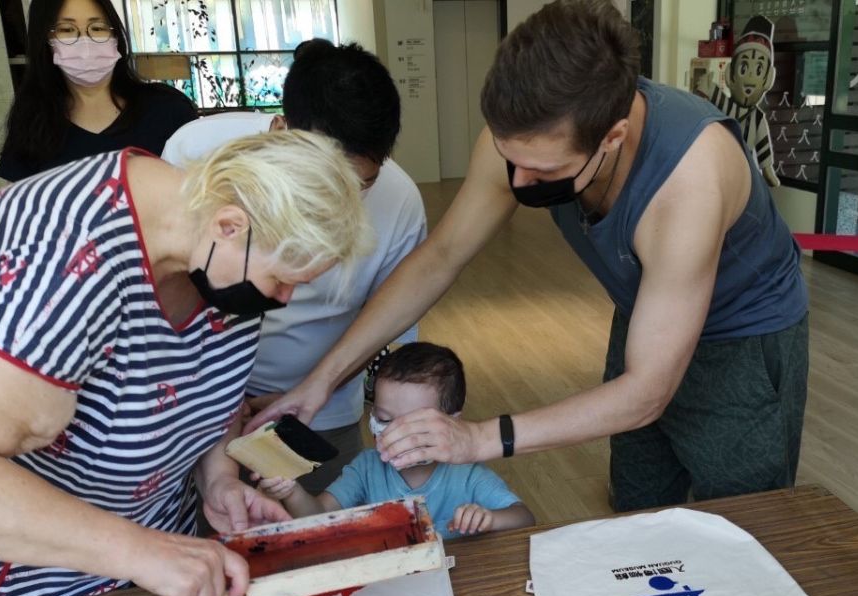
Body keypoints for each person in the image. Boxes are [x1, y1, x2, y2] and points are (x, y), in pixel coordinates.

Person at [250, 0, 809, 512]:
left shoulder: (689, 178)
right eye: (508, 157)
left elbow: (646, 392)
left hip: (743, 339)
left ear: (612, 138)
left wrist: (478, 437)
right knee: (638, 505)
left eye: (543, 171)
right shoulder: (528, 137)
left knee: (744, 517)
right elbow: (441, 256)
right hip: (645, 310)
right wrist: (322, 380)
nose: (517, 182)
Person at [0, 130, 370, 596]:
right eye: (283, 280)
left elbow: (205, 378)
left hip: (152, 566)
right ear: (230, 225)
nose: (283, 300)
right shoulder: (65, 260)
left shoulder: (211, 250)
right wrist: (141, 553)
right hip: (18, 590)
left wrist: (219, 479)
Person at [163, 39, 426, 493]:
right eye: (324, 175)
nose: (336, 199)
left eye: (359, 183)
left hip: (322, 409)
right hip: (199, 404)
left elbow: (388, 320)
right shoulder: (199, 151)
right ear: (281, 131)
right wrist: (219, 398)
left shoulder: (399, 200)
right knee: (218, 514)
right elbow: (169, 287)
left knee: (328, 519)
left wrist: (317, 387)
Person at [258, 343, 535, 539]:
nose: (395, 434)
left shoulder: (467, 474)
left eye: (413, 424)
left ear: (452, 425)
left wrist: (491, 519)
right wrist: (291, 492)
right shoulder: (366, 467)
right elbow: (318, 517)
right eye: (384, 418)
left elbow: (524, 518)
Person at [0, 0, 197, 181]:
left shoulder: (168, 109)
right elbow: (19, 204)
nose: (86, 43)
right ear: (44, 40)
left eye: (98, 28)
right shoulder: (32, 121)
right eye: (66, 29)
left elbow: (206, 191)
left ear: (115, 35)